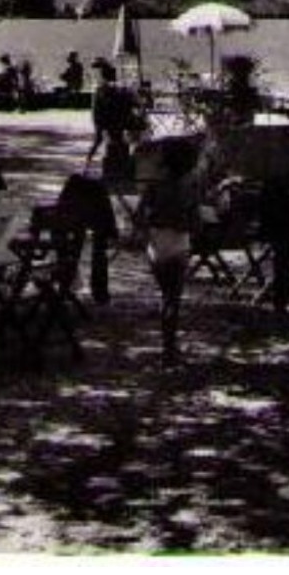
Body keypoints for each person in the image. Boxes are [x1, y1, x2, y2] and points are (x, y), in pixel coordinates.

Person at [135, 137, 207, 363]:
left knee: (166, 295)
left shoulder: (154, 186)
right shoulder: (190, 188)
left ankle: (168, 346)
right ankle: (169, 349)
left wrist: (151, 228)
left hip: (157, 243)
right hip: (178, 243)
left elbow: (138, 217)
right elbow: (196, 224)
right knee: (172, 299)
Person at [86, 60, 140, 189]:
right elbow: (134, 105)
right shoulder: (123, 90)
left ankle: (87, 165)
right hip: (120, 123)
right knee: (123, 140)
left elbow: (96, 113)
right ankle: (126, 168)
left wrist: (98, 125)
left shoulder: (100, 91)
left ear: (103, 75)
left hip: (107, 123)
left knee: (99, 140)